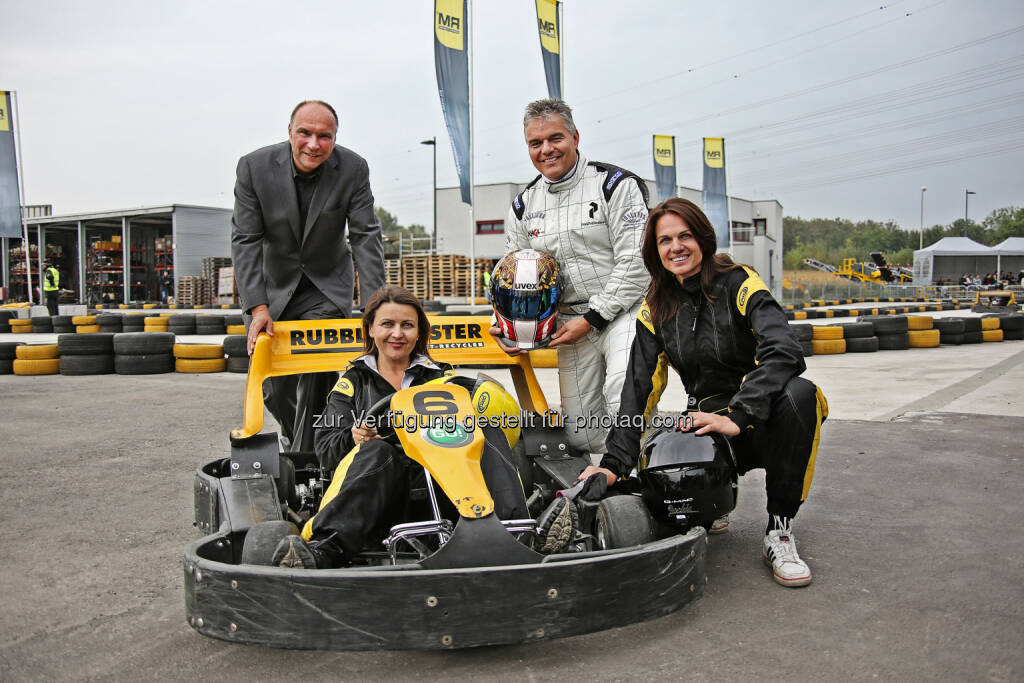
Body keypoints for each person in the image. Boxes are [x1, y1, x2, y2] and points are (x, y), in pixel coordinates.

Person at [585, 198, 828, 588]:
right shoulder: (655, 307)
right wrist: (613, 463)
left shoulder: (740, 282)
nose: (676, 247)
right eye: (665, 240)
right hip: (707, 424)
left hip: (760, 416)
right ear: (655, 250)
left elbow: (784, 350)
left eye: (685, 236)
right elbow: (638, 389)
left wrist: (738, 415)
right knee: (672, 448)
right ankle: (713, 499)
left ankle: (779, 530)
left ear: (703, 238)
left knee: (801, 395)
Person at [273, 285, 529, 569]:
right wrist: (353, 437)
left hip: (447, 491)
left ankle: (517, 534)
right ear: (370, 329)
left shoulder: (443, 376)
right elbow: (325, 450)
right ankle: (322, 550)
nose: (397, 334)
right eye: (388, 324)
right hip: (378, 497)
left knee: (487, 430)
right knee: (377, 451)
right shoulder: (353, 383)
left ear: (419, 332)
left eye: (407, 325)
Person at [493, 98, 650, 458]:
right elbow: (509, 275)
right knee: (582, 435)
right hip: (566, 324)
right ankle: (612, 480)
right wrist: (505, 326)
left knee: (623, 396)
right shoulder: (524, 204)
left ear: (575, 137)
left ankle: (650, 489)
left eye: (555, 138)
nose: (546, 149)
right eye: (536, 143)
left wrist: (594, 317)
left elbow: (637, 262)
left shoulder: (615, 185)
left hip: (623, 312)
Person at [231, 100, 384, 453]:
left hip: (326, 287)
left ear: (334, 138)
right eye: (305, 133)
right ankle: (298, 435)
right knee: (275, 387)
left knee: (315, 371)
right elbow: (246, 240)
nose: (313, 144)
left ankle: (307, 456)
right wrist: (257, 307)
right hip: (272, 290)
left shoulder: (353, 168)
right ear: (289, 132)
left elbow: (365, 236)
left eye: (324, 136)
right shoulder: (253, 168)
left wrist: (376, 305)